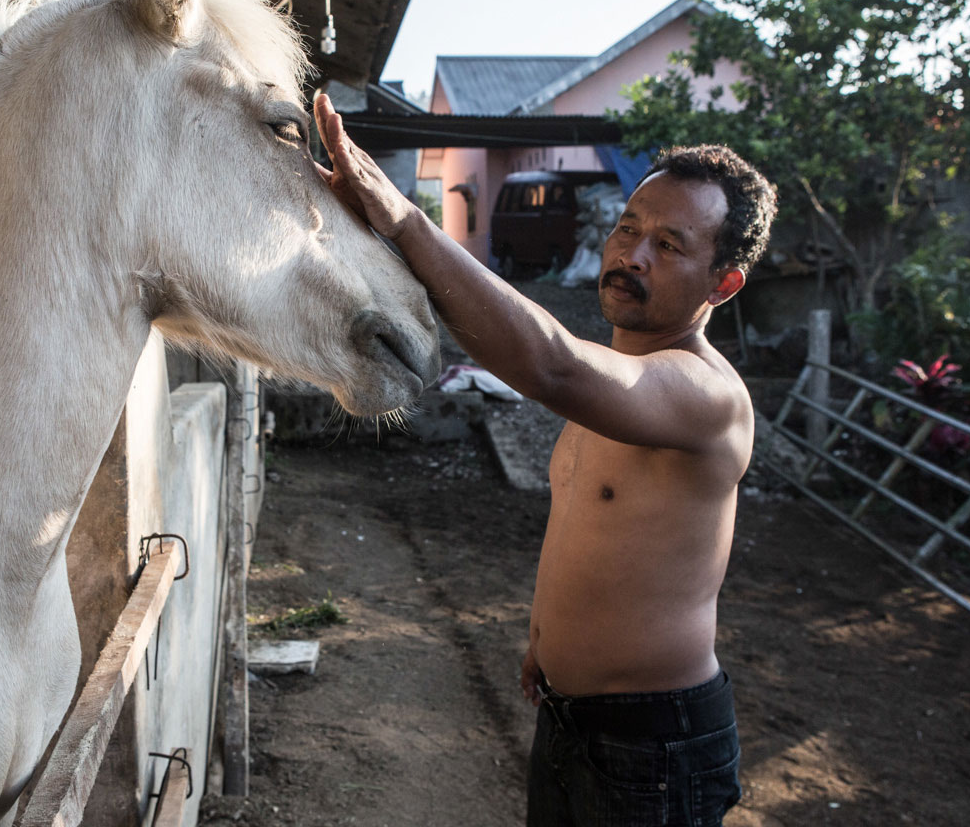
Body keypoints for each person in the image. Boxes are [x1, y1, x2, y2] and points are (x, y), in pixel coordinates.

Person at [311, 93, 778, 827]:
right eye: (629, 228)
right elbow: (592, 528)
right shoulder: (621, 381)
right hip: (569, 717)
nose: (633, 253)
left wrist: (405, 221)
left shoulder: (704, 395)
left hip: (653, 746)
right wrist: (545, 644)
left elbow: (552, 365)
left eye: (671, 245)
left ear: (723, 284)